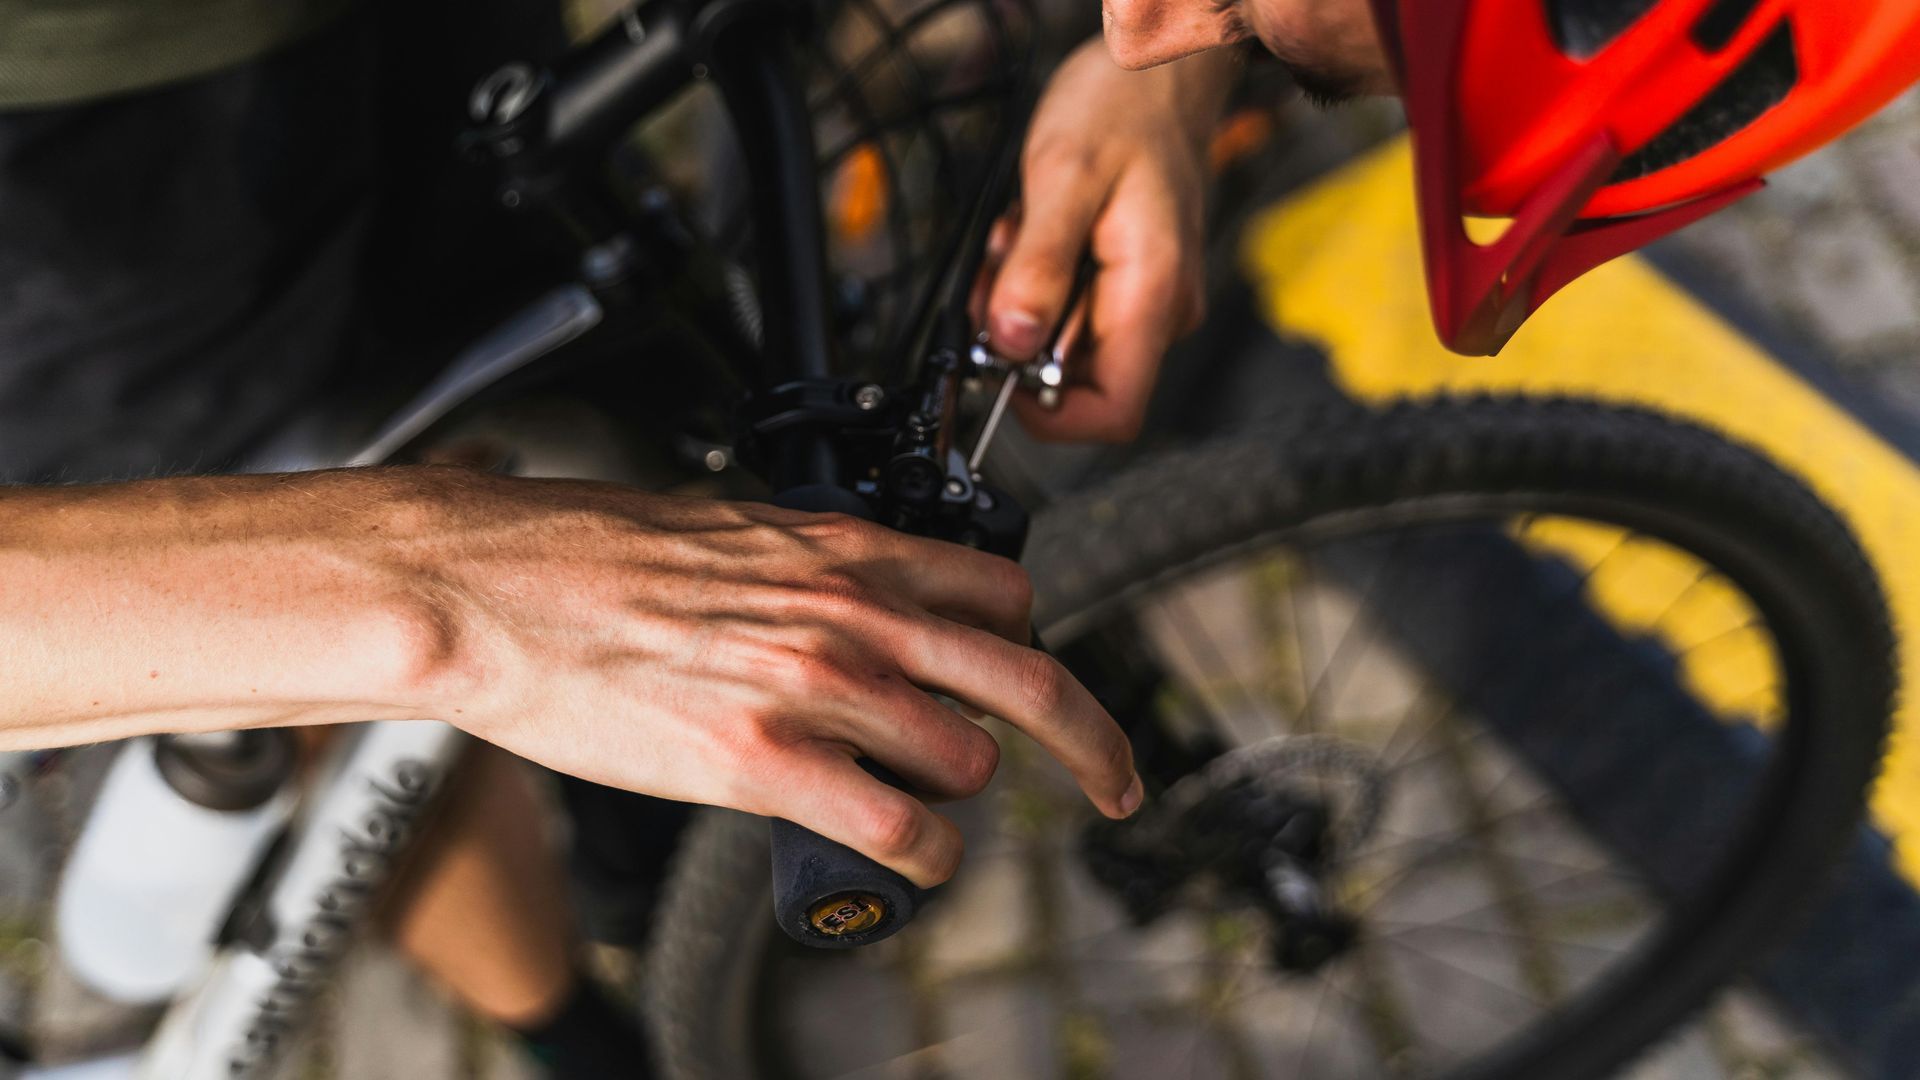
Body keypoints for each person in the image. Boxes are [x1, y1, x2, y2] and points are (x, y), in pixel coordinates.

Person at [3, 0, 1917, 1073]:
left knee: (488, 367)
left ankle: (571, 982)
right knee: (322, 583)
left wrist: (1153, 55)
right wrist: (430, 590)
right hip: (58, 163)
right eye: (1341, 59)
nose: (1289, 74)